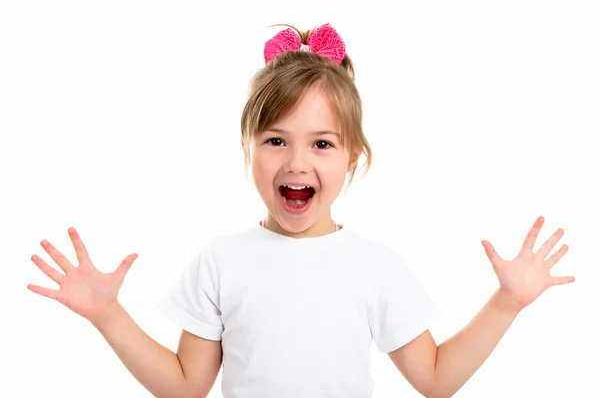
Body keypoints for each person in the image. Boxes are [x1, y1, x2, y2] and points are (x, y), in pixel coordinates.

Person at [27, 23, 575, 398]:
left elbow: (434, 380)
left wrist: (507, 303)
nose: (296, 162)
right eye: (274, 141)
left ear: (353, 156)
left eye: (321, 144)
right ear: (247, 147)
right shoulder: (220, 260)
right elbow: (186, 385)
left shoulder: (374, 265)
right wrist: (107, 315)